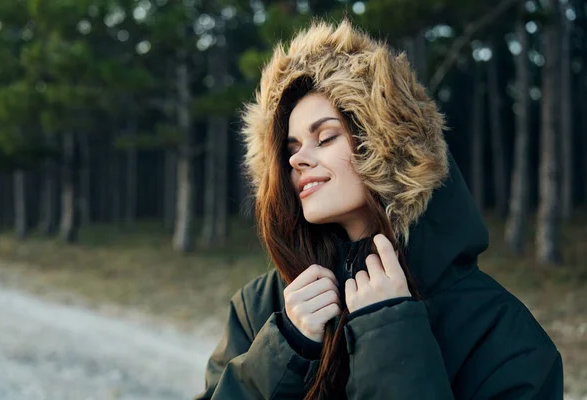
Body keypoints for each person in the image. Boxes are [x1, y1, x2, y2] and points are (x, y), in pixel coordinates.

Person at [195, 20, 563, 400]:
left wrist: (390, 339)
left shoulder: (503, 334)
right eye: (290, 149)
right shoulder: (263, 307)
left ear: (385, 147)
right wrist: (284, 349)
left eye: (325, 137)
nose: (298, 160)